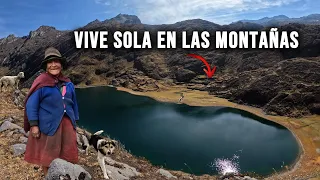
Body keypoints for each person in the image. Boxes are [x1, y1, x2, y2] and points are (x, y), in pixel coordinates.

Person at [23, 47, 79, 177]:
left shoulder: (68, 83)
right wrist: (34, 125)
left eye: (56, 61)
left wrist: (74, 120)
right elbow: (31, 105)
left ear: (61, 64)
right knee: (49, 154)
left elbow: (74, 103)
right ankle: (49, 176)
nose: (53, 65)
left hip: (67, 124)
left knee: (66, 152)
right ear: (46, 66)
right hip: (49, 125)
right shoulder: (41, 82)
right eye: (50, 62)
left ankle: (63, 175)